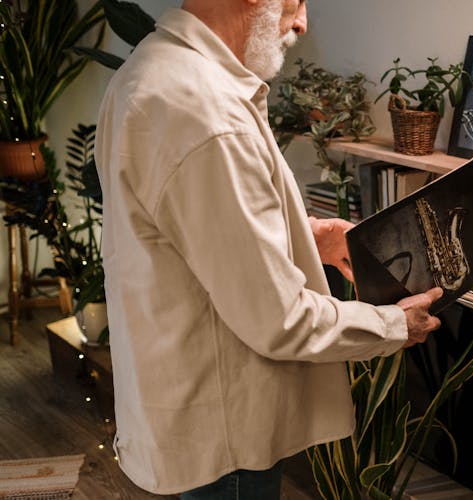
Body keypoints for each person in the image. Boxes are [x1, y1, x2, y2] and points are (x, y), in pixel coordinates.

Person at [94, 0, 444, 498]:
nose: (302, 22)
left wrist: (305, 234)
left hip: (185, 406)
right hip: (226, 432)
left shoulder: (150, 69)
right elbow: (277, 319)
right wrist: (393, 325)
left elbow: (187, 226)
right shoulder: (206, 112)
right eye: (296, 0)